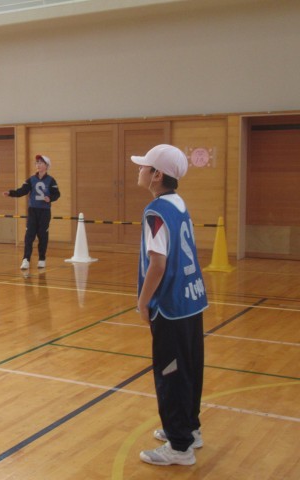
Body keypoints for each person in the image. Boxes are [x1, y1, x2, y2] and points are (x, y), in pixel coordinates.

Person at [131, 144, 208, 466]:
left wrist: (143, 301)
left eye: (144, 166)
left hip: (171, 305)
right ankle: (189, 428)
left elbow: (158, 263)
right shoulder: (179, 203)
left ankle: (179, 447)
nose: (139, 170)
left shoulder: (156, 212)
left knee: (170, 374)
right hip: (192, 299)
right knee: (190, 367)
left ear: (157, 175)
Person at [3, 154, 60, 269]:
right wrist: (11, 193)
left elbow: (57, 194)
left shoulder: (51, 180)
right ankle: (26, 259)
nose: (38, 165)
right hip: (33, 211)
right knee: (29, 235)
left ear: (46, 166)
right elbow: (22, 191)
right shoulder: (31, 180)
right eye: (37, 163)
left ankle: (42, 259)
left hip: (44, 212)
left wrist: (50, 198)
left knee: (43, 235)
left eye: (41, 163)